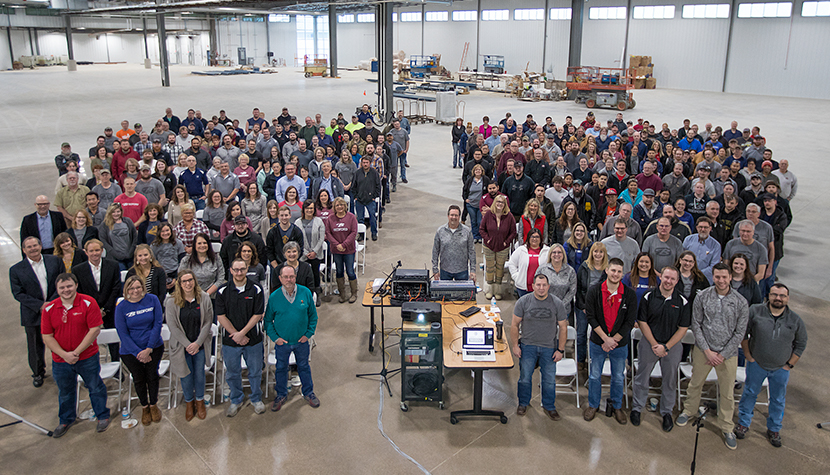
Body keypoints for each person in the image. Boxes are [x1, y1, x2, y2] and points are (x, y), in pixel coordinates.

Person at [675, 263, 748, 450]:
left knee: (727, 392)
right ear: (713, 277)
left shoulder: (740, 301)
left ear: (730, 277)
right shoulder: (703, 296)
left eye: (724, 277)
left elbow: (740, 332)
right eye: (717, 277)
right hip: (703, 350)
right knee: (695, 383)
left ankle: (726, 426)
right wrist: (707, 350)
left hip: (727, 354)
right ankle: (689, 410)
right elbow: (696, 324)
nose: (721, 280)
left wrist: (722, 354)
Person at [735, 283, 807, 448]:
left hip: (781, 368)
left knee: (778, 399)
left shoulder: (795, 320)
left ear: (787, 298)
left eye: (782, 296)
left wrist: (789, 365)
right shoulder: (755, 311)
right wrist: (747, 354)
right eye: (775, 294)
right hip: (756, 364)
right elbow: (743, 332)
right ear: (769, 295)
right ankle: (743, 423)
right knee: (749, 393)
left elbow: (801, 344)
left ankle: (774, 428)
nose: (778, 298)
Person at [41, 273, 111, 437]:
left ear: (76, 285)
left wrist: (76, 352)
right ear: (57, 290)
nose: (66, 290)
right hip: (60, 360)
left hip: (87, 357)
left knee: (95, 387)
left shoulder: (88, 302)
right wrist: (64, 355)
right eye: (62, 287)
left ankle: (102, 416)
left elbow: (95, 329)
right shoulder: (50, 309)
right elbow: (47, 336)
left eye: (69, 286)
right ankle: (66, 420)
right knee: (65, 391)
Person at [629, 266, 691, 431]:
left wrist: (666, 346)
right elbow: (642, 322)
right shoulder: (648, 297)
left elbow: (683, 328)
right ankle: (637, 407)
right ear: (660, 278)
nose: (669, 281)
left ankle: (666, 412)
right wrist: (655, 344)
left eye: (672, 279)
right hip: (649, 343)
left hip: (672, 346)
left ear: (676, 281)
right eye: (666, 278)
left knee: (670, 380)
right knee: (642, 377)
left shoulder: (682, 301)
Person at [583, 257, 637, 424]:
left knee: (618, 377)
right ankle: (593, 405)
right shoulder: (594, 291)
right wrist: (605, 339)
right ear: (606, 270)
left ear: (623, 274)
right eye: (613, 270)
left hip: (619, 344)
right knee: (594, 375)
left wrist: (614, 340)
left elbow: (629, 321)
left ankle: (617, 406)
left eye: (619, 271)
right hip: (598, 341)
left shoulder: (629, 294)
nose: (615, 274)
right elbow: (591, 317)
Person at [511, 274, 568, 420]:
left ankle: (549, 406)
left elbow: (563, 327)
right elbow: (514, 325)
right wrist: (515, 345)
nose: (541, 288)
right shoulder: (523, 301)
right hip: (527, 346)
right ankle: (523, 403)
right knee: (525, 378)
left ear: (548, 286)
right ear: (533, 286)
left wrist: (560, 349)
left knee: (549, 380)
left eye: (544, 285)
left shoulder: (557, 303)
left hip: (549, 348)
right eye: (538, 285)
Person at [264, 264, 320, 412]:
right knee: (281, 368)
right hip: (283, 343)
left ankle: (308, 392)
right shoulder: (274, 297)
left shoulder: (306, 293)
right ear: (280, 278)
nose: (289, 280)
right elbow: (268, 321)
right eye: (286, 277)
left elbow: (313, 316)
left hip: (301, 342)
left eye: (292, 276)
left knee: (304, 367)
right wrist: (276, 338)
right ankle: (281, 394)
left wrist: (308, 334)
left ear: (296, 277)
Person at [216, 258, 266, 416]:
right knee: (232, 372)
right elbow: (221, 316)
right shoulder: (222, 291)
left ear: (247, 270)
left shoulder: (256, 289)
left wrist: (242, 333)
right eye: (236, 270)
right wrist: (236, 335)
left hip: (253, 339)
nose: (239, 273)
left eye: (242, 269)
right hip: (230, 342)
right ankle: (236, 399)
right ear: (230, 270)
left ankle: (256, 398)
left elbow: (258, 314)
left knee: (256, 371)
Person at [10, 237, 62, 387]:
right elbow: (18, 293)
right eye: (29, 247)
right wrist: (40, 305)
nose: (33, 249)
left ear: (40, 246)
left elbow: (61, 282)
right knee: (35, 344)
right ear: (24, 250)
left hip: (55, 308)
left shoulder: (54, 261)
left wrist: (51, 303)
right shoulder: (16, 270)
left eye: (35, 245)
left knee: (60, 340)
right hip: (32, 313)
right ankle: (38, 372)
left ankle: (62, 369)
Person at [115, 275, 165, 426]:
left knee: (152, 376)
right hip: (130, 352)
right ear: (127, 290)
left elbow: (157, 324)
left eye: (138, 287)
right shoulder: (121, 307)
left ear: (143, 288)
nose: (135, 291)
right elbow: (122, 333)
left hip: (153, 347)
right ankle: (144, 407)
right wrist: (138, 352)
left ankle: (153, 404)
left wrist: (148, 349)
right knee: (139, 379)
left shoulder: (152, 299)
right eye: (131, 288)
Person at [165, 271, 213, 421]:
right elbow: (173, 327)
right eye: (184, 281)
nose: (188, 283)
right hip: (181, 346)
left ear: (195, 281)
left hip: (200, 344)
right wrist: (188, 345)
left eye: (190, 280)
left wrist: (197, 343)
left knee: (199, 374)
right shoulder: (171, 302)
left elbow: (208, 322)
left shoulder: (204, 298)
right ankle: (189, 402)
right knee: (185, 375)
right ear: (179, 283)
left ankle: (199, 401)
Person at [479, 195, 516, 300]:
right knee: (490, 268)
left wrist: (506, 242)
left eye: (502, 202)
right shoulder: (488, 215)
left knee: (500, 268)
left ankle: (498, 290)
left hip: (503, 248)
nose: (500, 204)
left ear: (505, 204)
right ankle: (489, 289)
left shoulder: (509, 216)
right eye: (498, 202)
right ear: (494, 203)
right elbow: (482, 229)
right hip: (489, 246)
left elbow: (513, 232)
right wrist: (487, 239)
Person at [432, 205, 477, 282]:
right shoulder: (440, 231)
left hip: (462, 271)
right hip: (445, 270)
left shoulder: (467, 231)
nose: (454, 217)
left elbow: (471, 252)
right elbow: (435, 251)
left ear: (459, 216)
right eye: (452, 215)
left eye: (456, 215)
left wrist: (473, 270)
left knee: (462, 293)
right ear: (448, 216)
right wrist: (435, 269)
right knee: (445, 294)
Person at [178, 233, 225, 303]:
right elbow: (181, 278)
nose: (202, 245)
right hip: (191, 297)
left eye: (205, 243)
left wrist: (207, 294)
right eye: (199, 243)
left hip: (212, 297)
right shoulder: (186, 260)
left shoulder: (216, 258)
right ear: (194, 245)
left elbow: (221, 278)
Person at [295, 200, 325, 303]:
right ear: (303, 209)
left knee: (315, 274)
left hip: (315, 254)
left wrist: (314, 251)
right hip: (303, 254)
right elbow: (297, 240)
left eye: (311, 208)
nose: (309, 210)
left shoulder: (319, 221)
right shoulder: (298, 222)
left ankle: (316, 295)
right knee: (304, 275)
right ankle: (305, 296)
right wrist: (305, 252)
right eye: (307, 208)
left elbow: (321, 238)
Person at [535, 244, 577, 315]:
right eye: (554, 252)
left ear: (563, 254)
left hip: (564, 310)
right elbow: (537, 287)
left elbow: (572, 290)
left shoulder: (570, 271)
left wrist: (561, 305)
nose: (556, 254)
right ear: (550, 255)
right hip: (545, 308)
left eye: (559, 252)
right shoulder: (542, 269)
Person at [508, 228, 549, 298]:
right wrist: (516, 276)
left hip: (541, 288)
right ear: (528, 238)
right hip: (523, 288)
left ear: (541, 239)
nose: (534, 239)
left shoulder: (547, 251)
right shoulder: (521, 250)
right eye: (532, 236)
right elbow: (511, 263)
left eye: (537, 237)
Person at [98, 203, 138, 271]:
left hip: (130, 256)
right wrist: (116, 254)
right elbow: (103, 241)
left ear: (121, 212)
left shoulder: (127, 221)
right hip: (114, 258)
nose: (116, 214)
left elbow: (134, 236)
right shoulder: (105, 225)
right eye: (113, 212)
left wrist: (131, 252)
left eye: (118, 211)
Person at [683, 217, 721, 282]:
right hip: (686, 277)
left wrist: (696, 274)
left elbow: (713, 266)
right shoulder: (688, 240)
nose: (703, 229)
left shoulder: (716, 245)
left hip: (705, 279)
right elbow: (681, 258)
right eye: (700, 227)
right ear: (697, 228)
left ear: (710, 228)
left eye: (706, 227)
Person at [463, 164, 489, 243]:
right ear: (474, 171)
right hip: (471, 205)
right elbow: (464, 190)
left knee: (480, 221)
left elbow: (488, 191)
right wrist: (465, 199)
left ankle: (480, 236)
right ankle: (475, 236)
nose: (478, 171)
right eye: (476, 170)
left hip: (481, 205)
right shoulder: (470, 180)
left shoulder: (485, 180)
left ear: (482, 171)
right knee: (473, 221)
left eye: (479, 170)